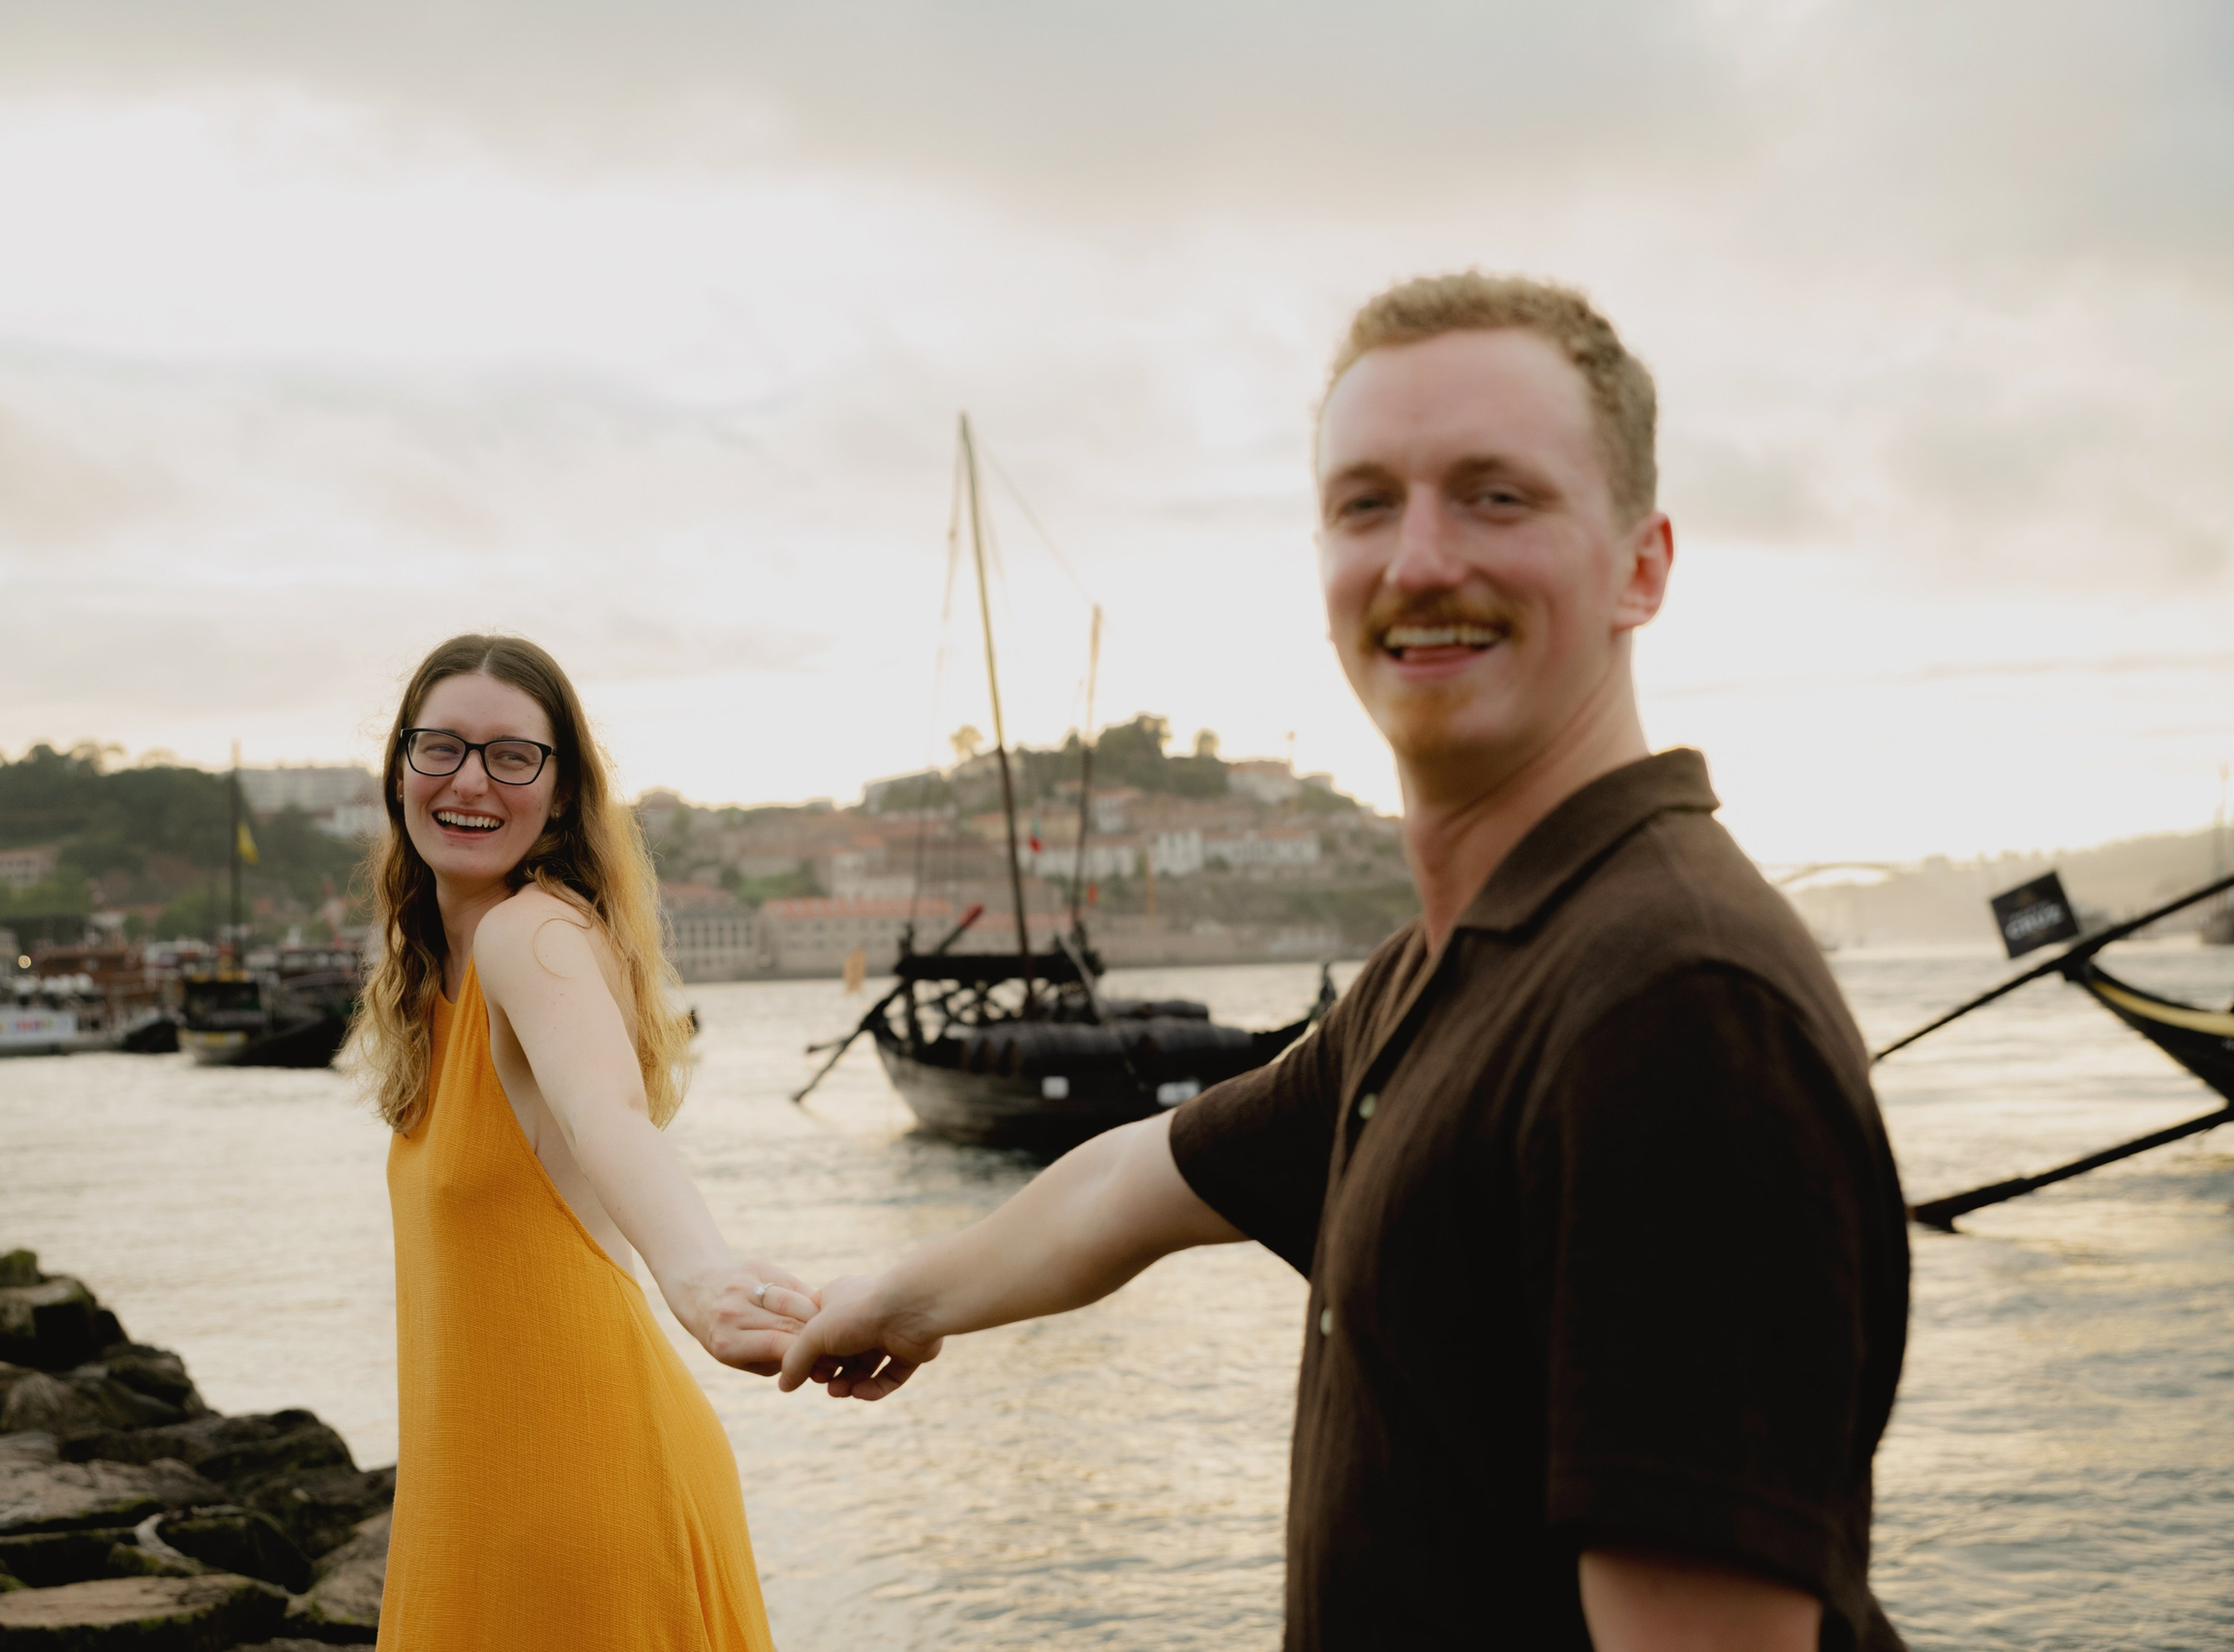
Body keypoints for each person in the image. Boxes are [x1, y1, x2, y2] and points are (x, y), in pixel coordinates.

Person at [780, 274, 1912, 1651]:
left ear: (1643, 564)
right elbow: (1143, 1177)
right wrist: (897, 1298)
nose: (1420, 560)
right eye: (1367, 502)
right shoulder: (1447, 970)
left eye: (1498, 495)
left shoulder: (1669, 1007)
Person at [356, 633, 812, 1651]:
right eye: (441, 748)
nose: (470, 781)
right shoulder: (440, 977)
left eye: (512, 755)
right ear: (400, 772)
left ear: (561, 795)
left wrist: (700, 1276)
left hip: (583, 1486)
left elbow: (606, 1115)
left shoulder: (532, 935)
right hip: (481, 1498)